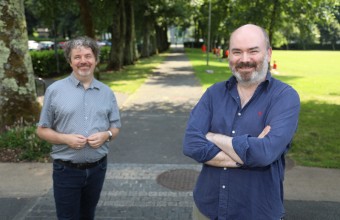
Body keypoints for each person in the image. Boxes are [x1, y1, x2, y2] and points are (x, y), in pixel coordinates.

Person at [183, 24, 300, 220]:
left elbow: (264, 153)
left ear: (269, 53)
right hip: (206, 210)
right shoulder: (213, 94)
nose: (244, 59)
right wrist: (248, 155)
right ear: (229, 55)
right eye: (237, 52)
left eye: (253, 51)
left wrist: (213, 137)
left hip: (257, 212)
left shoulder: (284, 97)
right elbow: (191, 144)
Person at [36, 36, 121, 220]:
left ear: (96, 60)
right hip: (66, 171)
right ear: (70, 61)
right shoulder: (55, 90)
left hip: (98, 169)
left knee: (88, 215)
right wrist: (65, 139)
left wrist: (106, 135)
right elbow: (41, 130)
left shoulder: (107, 92)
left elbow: (115, 127)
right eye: (77, 57)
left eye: (88, 56)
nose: (83, 61)